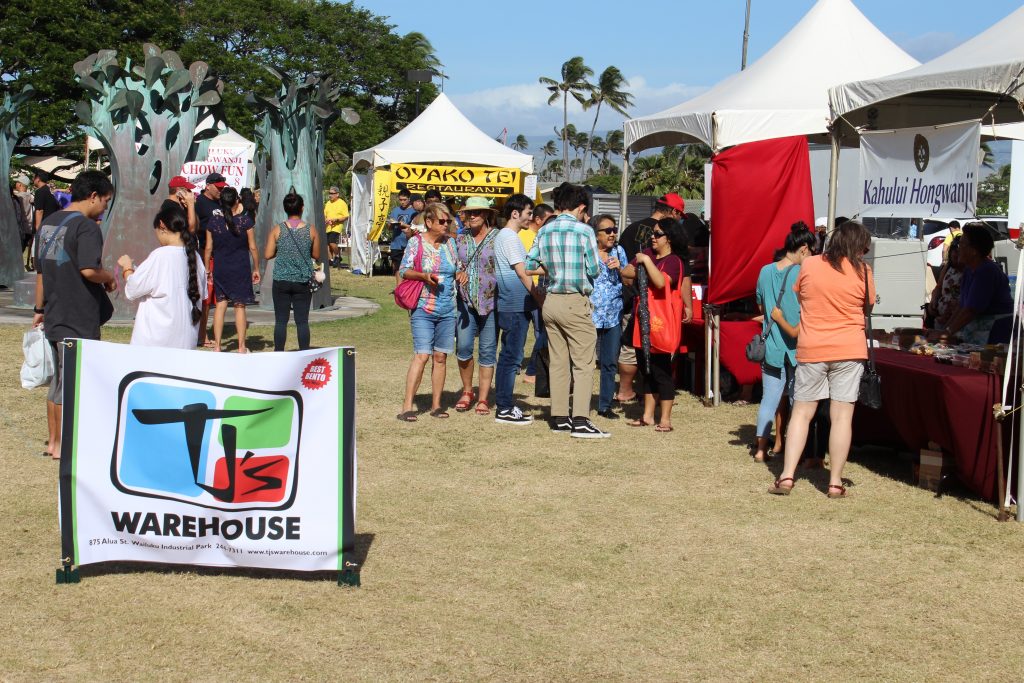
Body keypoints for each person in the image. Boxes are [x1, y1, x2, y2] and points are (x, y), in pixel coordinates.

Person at [768, 221, 876, 498]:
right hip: (849, 349)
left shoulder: (811, 264)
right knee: (842, 417)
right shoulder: (863, 271)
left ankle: (787, 476)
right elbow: (869, 306)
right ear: (858, 246)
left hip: (812, 346)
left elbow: (801, 295)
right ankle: (835, 482)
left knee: (802, 413)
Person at [31, 170, 116, 459]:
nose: (104, 207)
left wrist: (39, 309)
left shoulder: (49, 223)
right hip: (79, 314)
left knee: (58, 382)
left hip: (55, 312)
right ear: (93, 196)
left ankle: (55, 442)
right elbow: (88, 270)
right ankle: (67, 446)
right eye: (105, 201)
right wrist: (109, 276)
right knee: (74, 383)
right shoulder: (87, 227)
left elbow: (41, 273)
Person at [527, 182, 608, 438]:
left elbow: (530, 264)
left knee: (559, 362)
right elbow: (594, 269)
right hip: (574, 300)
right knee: (584, 363)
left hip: (551, 301)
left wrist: (554, 270)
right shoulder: (585, 231)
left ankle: (560, 416)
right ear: (582, 206)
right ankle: (581, 419)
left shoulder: (544, 231)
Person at [751, 222, 816, 463]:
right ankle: (795, 452)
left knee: (769, 400)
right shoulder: (802, 274)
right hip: (797, 348)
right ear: (803, 249)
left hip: (772, 347)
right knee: (797, 402)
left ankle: (760, 449)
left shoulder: (765, 271)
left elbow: (760, 304)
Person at [621, 218, 693, 432]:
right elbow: (626, 271)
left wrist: (645, 263)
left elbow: (662, 282)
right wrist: (644, 265)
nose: (653, 237)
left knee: (661, 371)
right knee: (646, 369)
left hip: (661, 322)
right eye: (653, 233)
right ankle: (647, 416)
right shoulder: (649, 256)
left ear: (669, 238)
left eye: (658, 234)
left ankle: (666, 420)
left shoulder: (674, 261)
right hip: (643, 319)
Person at [397, 203, 464, 421]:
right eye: (442, 221)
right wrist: (423, 277)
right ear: (429, 222)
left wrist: (461, 275)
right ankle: (407, 406)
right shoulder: (416, 243)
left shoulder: (451, 244)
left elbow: (458, 267)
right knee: (422, 355)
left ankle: (436, 405)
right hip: (423, 307)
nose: (447, 225)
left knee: (441, 357)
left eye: (448, 221)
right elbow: (403, 270)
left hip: (447, 309)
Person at [616, 192, 686, 403]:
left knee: (632, 347)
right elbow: (666, 279)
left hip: (631, 297)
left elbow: (625, 267)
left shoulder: (632, 228)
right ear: (674, 212)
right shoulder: (668, 236)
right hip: (646, 301)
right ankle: (634, 391)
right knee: (648, 350)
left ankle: (626, 389)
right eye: (680, 215)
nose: (654, 238)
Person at [118, 205, 205, 349]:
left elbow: (133, 289)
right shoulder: (195, 257)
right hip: (185, 340)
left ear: (162, 226)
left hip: (158, 340)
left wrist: (127, 268)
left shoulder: (160, 255)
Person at [493, 194, 542, 425]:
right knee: (511, 358)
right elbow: (522, 272)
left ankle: (504, 404)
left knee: (509, 356)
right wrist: (537, 295)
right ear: (515, 213)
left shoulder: (506, 236)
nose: (530, 218)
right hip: (514, 305)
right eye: (528, 213)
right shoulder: (510, 238)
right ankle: (504, 407)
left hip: (510, 304)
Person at [453, 196, 499, 415]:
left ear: (487, 215)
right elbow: (451, 264)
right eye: (468, 213)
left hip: (492, 303)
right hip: (465, 302)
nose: (471, 216)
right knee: (463, 348)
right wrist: (456, 272)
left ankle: (483, 398)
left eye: (476, 212)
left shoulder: (498, 238)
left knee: (488, 351)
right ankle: (467, 391)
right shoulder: (460, 240)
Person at [203, 186, 260, 352]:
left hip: (221, 267)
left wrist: (207, 269)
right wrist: (256, 268)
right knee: (239, 306)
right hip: (240, 267)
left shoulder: (213, 222)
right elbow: (253, 247)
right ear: (237, 200)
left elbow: (208, 248)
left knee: (220, 305)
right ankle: (241, 346)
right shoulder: (245, 221)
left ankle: (218, 346)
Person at [264, 192, 322, 351]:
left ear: (285, 209)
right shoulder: (311, 230)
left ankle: (278, 353)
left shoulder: (277, 229)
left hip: (281, 279)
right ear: (302, 208)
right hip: (302, 280)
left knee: (281, 321)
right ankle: (303, 353)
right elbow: (316, 255)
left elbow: (268, 254)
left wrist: (282, 250)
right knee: (302, 321)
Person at [944, 223, 1013, 344]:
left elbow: (971, 310)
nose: (958, 248)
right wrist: (944, 331)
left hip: (996, 334)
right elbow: (962, 307)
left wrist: (947, 333)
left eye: (962, 244)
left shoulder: (986, 271)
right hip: (979, 332)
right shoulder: (969, 269)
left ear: (974, 250)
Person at [589, 214, 626, 418]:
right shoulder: (588, 253)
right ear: (596, 235)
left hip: (613, 314)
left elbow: (629, 280)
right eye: (608, 231)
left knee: (610, 361)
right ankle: (581, 401)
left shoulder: (619, 251)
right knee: (584, 362)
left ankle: (605, 405)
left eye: (614, 230)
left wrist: (620, 268)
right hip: (590, 315)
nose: (612, 234)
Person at [194, 172, 228, 346]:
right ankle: (201, 335)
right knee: (206, 298)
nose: (220, 191)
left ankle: (210, 333)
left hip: (220, 254)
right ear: (208, 186)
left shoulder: (220, 202)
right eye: (218, 188)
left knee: (218, 298)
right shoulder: (200, 203)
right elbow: (194, 226)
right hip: (206, 254)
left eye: (223, 188)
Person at [522, 203, 555, 384]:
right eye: (548, 220)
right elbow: (528, 267)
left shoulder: (544, 237)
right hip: (535, 291)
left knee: (542, 332)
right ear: (538, 219)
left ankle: (536, 368)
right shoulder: (529, 236)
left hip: (542, 291)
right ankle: (532, 370)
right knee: (542, 333)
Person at [926, 235, 963, 330]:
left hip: (956, 319)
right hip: (940, 317)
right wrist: (933, 302)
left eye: (959, 251)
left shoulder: (969, 270)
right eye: (954, 250)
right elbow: (938, 287)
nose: (956, 254)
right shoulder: (948, 267)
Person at [30, 170, 61, 271]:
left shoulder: (40, 192)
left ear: (38, 179)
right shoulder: (49, 192)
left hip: (44, 227)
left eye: (34, 177)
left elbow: (39, 210)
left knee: (39, 256)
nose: (33, 179)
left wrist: (38, 227)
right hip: (52, 226)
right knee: (50, 255)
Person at [387, 189, 416, 275]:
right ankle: (398, 287)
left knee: (409, 267)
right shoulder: (395, 210)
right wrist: (391, 224)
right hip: (396, 243)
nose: (402, 202)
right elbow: (389, 228)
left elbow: (417, 228)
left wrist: (405, 225)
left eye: (404, 200)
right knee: (397, 267)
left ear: (409, 199)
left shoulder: (414, 212)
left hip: (409, 243)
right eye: (400, 200)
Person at [324, 186, 349, 268]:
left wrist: (336, 219)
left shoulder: (342, 203)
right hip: (327, 226)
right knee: (327, 245)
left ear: (337, 194)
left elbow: (346, 216)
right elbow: (325, 215)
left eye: (332, 193)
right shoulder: (328, 203)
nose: (330, 195)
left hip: (336, 226)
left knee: (332, 242)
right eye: (329, 193)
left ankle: (338, 256)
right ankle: (330, 260)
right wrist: (325, 220)